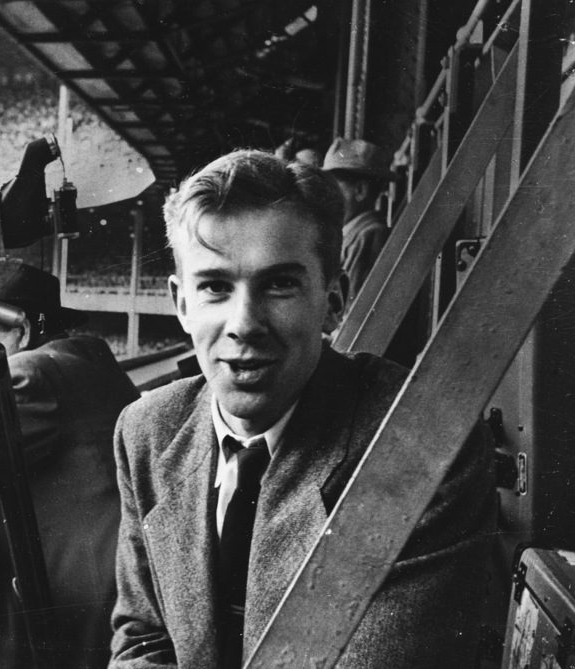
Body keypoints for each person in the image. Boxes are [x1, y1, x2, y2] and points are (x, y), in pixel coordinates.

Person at [109, 150, 497, 667]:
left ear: (333, 300)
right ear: (182, 304)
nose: (244, 323)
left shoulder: (423, 444)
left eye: (279, 284)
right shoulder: (147, 431)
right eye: (215, 287)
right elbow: (142, 638)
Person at [0, 263, 140, 669]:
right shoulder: (90, 358)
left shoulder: (29, 372)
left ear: (24, 330)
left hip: (70, 592)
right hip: (120, 573)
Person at [322, 137, 393, 305]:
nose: (326, 197)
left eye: (333, 188)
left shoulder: (370, 234)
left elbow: (350, 312)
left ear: (360, 190)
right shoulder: (351, 233)